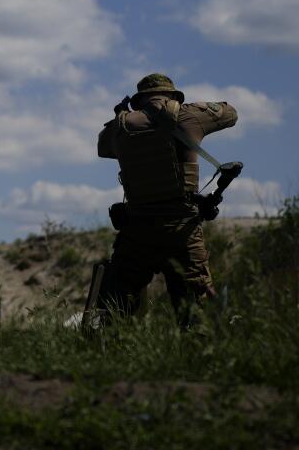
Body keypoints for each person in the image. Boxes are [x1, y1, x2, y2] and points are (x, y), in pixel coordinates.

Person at [96, 73, 238, 325]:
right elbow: (230, 113)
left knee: (114, 310)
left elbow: (102, 147)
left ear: (138, 101)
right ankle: (195, 357)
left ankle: (104, 356)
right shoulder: (188, 116)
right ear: (173, 96)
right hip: (182, 230)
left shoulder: (120, 126)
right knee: (195, 312)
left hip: (136, 231)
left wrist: (125, 116)